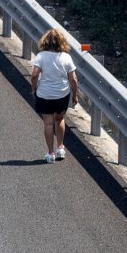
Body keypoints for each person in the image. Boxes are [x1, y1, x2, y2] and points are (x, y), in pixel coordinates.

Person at [30, 28, 79, 163]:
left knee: (48, 123)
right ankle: (61, 148)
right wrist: (75, 95)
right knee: (59, 119)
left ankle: (50, 153)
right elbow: (73, 79)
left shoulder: (41, 56)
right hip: (62, 95)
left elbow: (34, 76)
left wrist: (33, 89)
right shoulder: (66, 57)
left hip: (44, 94)